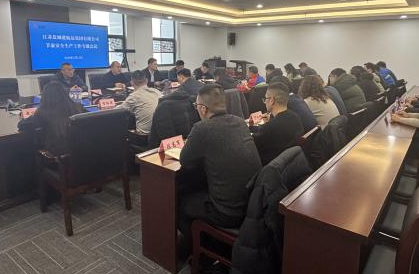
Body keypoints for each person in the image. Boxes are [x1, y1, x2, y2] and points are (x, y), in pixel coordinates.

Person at [178, 84, 262, 247]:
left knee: (180, 203)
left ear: (203, 109)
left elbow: (185, 161)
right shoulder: (239, 122)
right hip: (250, 204)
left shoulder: (202, 128)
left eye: (196, 106)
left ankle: (200, 250)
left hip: (227, 212)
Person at [18, 82, 84, 155]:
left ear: (45, 96)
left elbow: (21, 125)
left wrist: (24, 118)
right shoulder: (77, 106)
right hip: (79, 148)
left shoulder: (44, 111)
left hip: (57, 151)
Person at [253, 83, 304, 165]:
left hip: (270, 167)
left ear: (272, 100)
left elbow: (252, 145)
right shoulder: (295, 117)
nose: (264, 102)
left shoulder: (270, 128)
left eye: (265, 98)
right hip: (291, 165)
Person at [116, 70, 162, 134]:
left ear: (132, 82)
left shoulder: (134, 96)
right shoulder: (157, 92)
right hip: (160, 133)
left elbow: (117, 111)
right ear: (147, 80)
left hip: (143, 136)